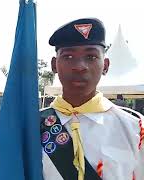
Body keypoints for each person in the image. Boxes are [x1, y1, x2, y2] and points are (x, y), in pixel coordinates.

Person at [41, 18, 144, 180]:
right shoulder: (32, 126)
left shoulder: (135, 128)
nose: (80, 66)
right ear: (54, 65)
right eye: (68, 57)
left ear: (106, 66)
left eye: (91, 57)